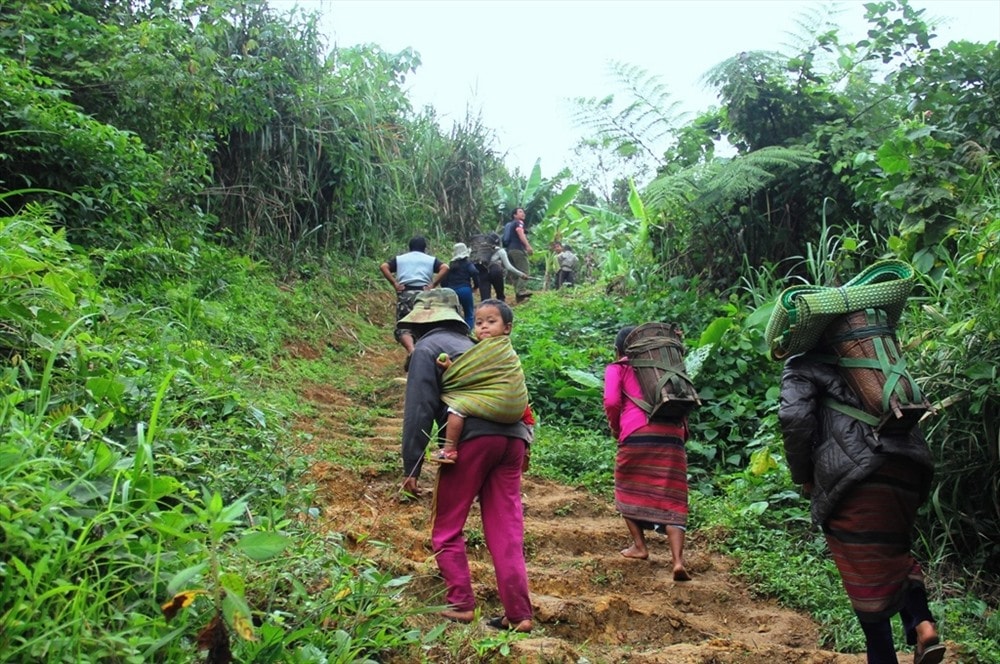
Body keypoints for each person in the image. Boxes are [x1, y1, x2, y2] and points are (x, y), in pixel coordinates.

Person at [779, 351, 945, 664]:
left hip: (857, 474)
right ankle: (923, 625)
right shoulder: (875, 351)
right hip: (910, 464)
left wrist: (803, 475)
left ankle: (883, 657)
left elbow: (794, 418)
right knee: (894, 552)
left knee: (862, 569)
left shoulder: (805, 363)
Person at [396, 289, 534, 633]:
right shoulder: (484, 349)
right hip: (513, 440)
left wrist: (411, 464)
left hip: (473, 441)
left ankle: (461, 603)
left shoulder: (427, 349)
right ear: (460, 320)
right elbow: (516, 393)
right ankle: (519, 614)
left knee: (447, 526)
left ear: (421, 323)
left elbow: (419, 410)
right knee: (506, 530)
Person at [603, 326, 691, 581]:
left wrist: (617, 428)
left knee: (627, 487)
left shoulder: (618, 368)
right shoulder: (665, 365)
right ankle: (677, 561)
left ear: (618, 350)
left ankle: (640, 547)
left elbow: (611, 402)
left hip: (636, 432)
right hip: (673, 434)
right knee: (673, 494)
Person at [431, 299, 534, 465]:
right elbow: (476, 375)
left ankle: (449, 450)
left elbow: (468, 377)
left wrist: (451, 370)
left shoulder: (492, 348)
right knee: (529, 418)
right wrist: (452, 366)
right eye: (479, 323)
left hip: (501, 403)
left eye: (491, 322)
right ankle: (526, 450)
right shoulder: (502, 349)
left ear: (507, 328)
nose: (484, 326)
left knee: (456, 408)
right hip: (516, 409)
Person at [379, 236, 448, 360]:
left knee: (404, 326)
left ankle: (412, 350)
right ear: (424, 248)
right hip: (424, 294)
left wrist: (394, 283)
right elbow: (445, 267)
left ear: (409, 248)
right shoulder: (430, 259)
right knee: (426, 323)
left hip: (406, 292)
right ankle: (426, 352)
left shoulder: (401, 259)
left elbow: (384, 266)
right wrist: (433, 284)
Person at [470, 231, 526, 302]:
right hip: (496, 271)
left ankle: (485, 311)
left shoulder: (479, 251)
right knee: (500, 296)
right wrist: (521, 274)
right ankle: (501, 309)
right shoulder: (501, 251)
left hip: (483, 272)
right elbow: (508, 267)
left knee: (485, 299)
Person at [440, 242, 480, 329]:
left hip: (451, 291)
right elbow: (474, 272)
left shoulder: (450, 265)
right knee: (469, 314)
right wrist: (476, 286)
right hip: (464, 290)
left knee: (453, 314)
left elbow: (443, 280)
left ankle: (454, 332)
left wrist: (446, 289)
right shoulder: (467, 263)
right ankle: (468, 333)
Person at [503, 207, 534, 302]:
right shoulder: (518, 222)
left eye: (523, 212)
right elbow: (520, 232)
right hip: (517, 249)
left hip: (509, 251)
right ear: (515, 215)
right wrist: (528, 246)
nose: (523, 213)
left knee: (516, 273)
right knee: (524, 270)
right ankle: (521, 290)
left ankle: (519, 296)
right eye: (520, 212)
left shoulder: (510, 225)